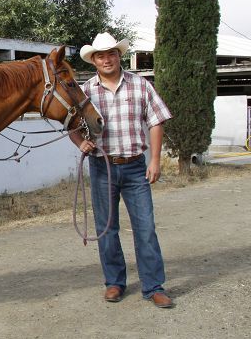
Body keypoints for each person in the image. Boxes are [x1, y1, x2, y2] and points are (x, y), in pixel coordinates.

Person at [70, 32, 174, 308]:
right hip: (102, 167)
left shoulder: (140, 85)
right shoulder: (86, 92)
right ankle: (114, 283)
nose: (107, 59)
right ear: (93, 60)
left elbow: (156, 121)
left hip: (135, 167)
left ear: (119, 55)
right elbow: (71, 125)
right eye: (101, 56)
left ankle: (154, 287)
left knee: (146, 229)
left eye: (111, 54)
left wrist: (155, 161)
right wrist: (81, 142)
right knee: (107, 229)